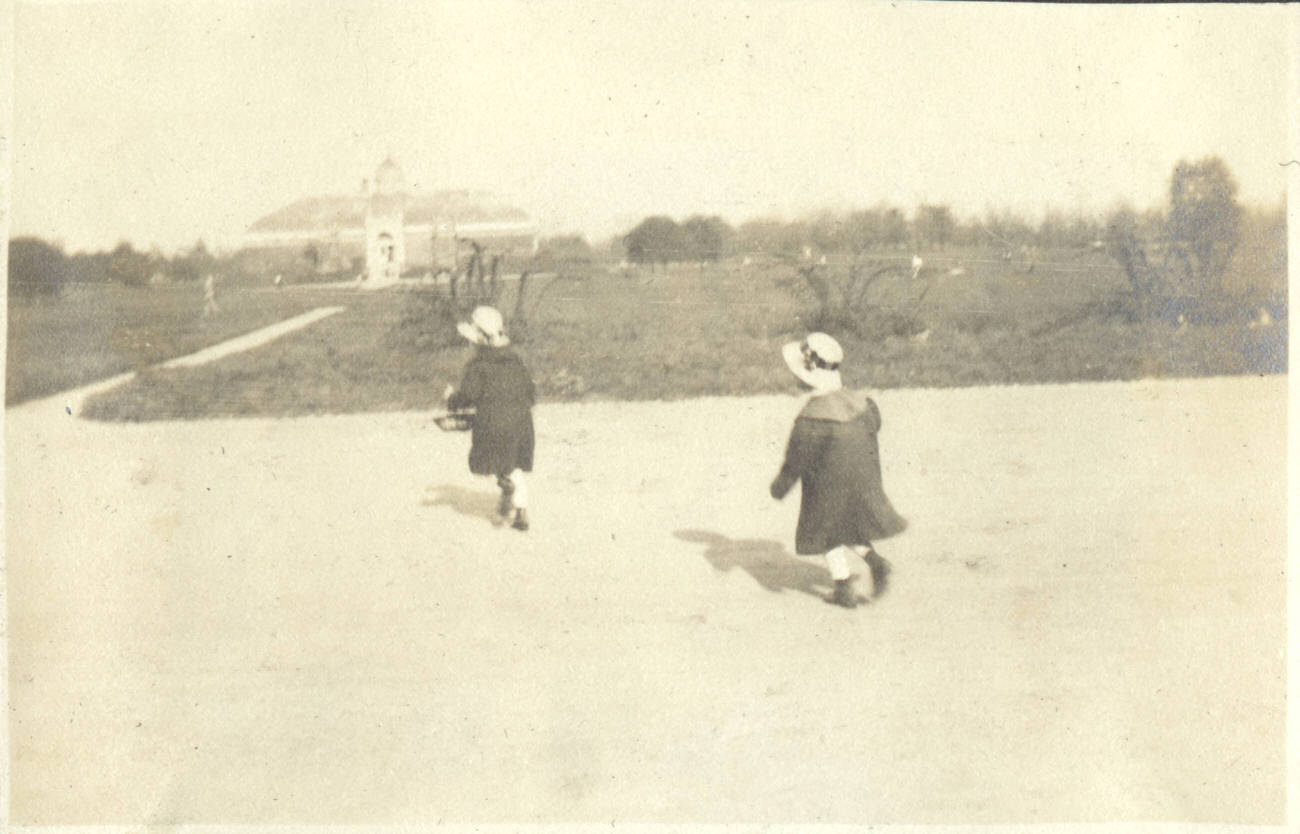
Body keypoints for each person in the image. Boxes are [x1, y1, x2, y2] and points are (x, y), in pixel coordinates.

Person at [770, 333, 907, 608]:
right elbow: (874, 424)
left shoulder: (811, 418)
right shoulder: (861, 403)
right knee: (845, 525)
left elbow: (796, 459)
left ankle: (843, 586)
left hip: (826, 482)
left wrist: (780, 487)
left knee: (825, 530)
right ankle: (874, 562)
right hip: (862, 475)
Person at [446, 306, 536, 531]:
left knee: (497, 460)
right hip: (522, 422)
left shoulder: (478, 366)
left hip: (492, 423)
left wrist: (450, 399)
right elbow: (531, 393)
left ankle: (510, 493)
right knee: (511, 461)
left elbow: (468, 397)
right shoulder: (515, 360)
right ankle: (518, 506)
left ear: (478, 342)